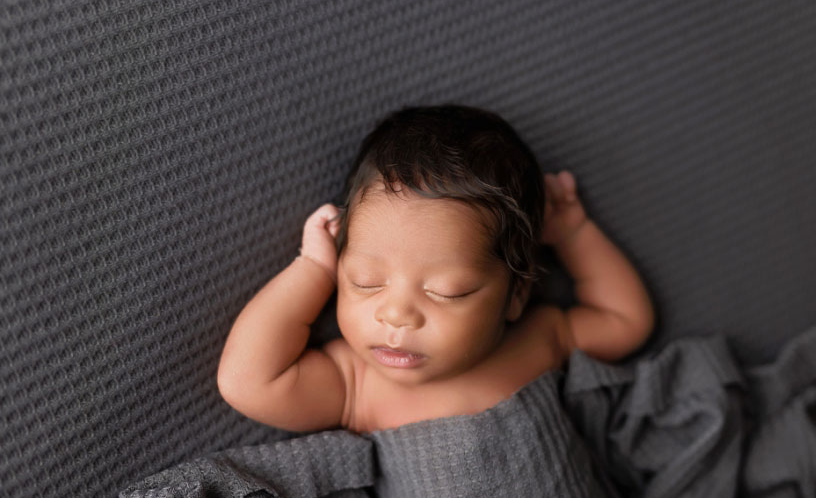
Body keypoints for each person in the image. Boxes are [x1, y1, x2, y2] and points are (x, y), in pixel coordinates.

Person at [217, 105, 655, 433]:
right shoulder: (358, 383)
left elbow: (627, 322)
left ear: (516, 294)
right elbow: (248, 382)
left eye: (447, 291)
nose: (397, 315)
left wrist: (574, 233)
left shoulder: (539, 340)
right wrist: (312, 269)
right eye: (364, 282)